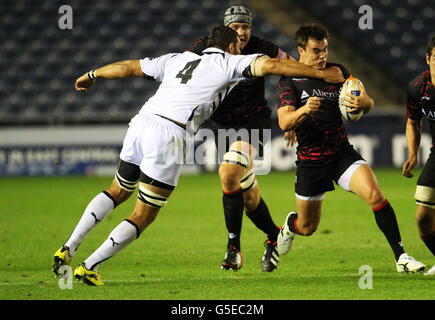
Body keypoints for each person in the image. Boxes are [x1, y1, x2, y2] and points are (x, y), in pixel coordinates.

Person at [52, 24, 344, 286]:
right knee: (144, 213)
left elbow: (129, 67)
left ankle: (68, 246)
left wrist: (92, 74)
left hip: (141, 123)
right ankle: (89, 266)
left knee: (117, 190)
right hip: (169, 135)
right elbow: (272, 67)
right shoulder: (229, 61)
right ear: (231, 47)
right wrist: (319, 74)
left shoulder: (177, 59)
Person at [276, 23, 426, 274]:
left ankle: (402, 257)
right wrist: (303, 110)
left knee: (376, 196)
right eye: (316, 51)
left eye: (325, 50)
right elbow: (283, 121)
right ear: (301, 51)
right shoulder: (289, 81)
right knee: (309, 226)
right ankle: (291, 225)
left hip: (341, 153)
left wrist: (365, 102)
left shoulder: (338, 72)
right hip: (311, 161)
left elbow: (367, 102)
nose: (322, 55)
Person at [190, 5, 289, 272]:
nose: (242, 32)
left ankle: (233, 248)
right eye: (236, 27)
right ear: (226, 29)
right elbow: (183, 72)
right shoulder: (206, 46)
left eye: (246, 26)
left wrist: (291, 110)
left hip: (253, 122)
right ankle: (274, 235)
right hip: (222, 125)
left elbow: (288, 67)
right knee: (247, 195)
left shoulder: (262, 47)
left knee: (228, 173)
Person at [402, 35, 435, 276]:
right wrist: (413, 154)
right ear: (428, 59)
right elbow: (413, 122)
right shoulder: (417, 88)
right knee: (423, 216)